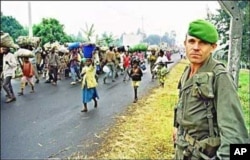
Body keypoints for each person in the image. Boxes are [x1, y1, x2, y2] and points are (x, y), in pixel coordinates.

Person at [173, 19, 249, 160]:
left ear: (213, 47)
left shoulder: (220, 76)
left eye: (203, 43)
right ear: (185, 44)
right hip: (183, 150)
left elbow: (236, 136)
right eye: (192, 41)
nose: (196, 47)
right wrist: (177, 127)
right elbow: (181, 104)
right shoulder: (187, 71)